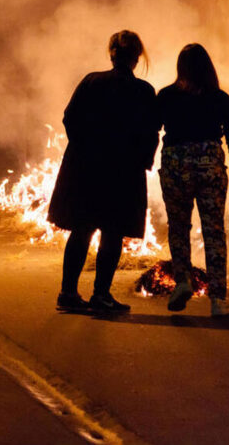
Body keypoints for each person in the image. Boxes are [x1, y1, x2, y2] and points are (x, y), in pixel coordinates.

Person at [48, 30, 159, 314]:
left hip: (86, 169)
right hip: (122, 172)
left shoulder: (91, 82)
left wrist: (84, 150)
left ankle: (68, 293)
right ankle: (101, 295)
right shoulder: (143, 92)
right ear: (136, 58)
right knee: (112, 232)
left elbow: (69, 118)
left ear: (111, 54)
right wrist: (140, 160)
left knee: (82, 229)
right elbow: (151, 132)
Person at [157, 43, 229, 317]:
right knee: (213, 231)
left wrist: (144, 162)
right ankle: (218, 299)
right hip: (209, 165)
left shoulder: (166, 96)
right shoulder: (220, 98)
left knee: (178, 226)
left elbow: (150, 130)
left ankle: (183, 281)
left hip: (175, 166)